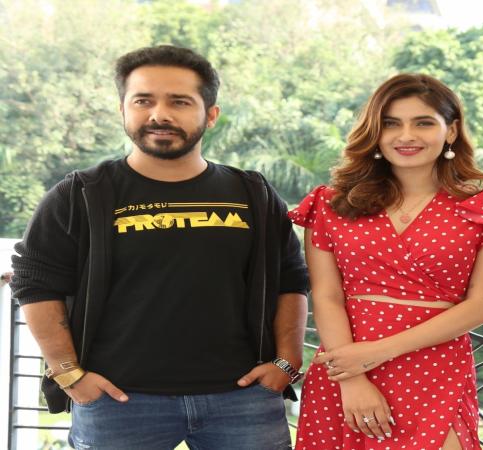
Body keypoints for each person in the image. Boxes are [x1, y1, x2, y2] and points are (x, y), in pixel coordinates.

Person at [10, 45, 308, 449]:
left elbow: (290, 278)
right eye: (143, 101)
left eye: (180, 101)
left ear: (211, 115)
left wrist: (287, 361)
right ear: (123, 110)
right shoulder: (80, 194)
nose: (159, 115)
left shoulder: (251, 193)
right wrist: (69, 374)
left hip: (243, 399)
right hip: (119, 402)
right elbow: (34, 282)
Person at [289, 73, 483, 450]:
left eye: (424, 123)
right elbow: (327, 295)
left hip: (435, 369)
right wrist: (352, 378)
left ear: (451, 131)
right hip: (344, 369)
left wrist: (377, 352)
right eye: (391, 123)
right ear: (375, 133)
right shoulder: (331, 205)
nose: (406, 136)